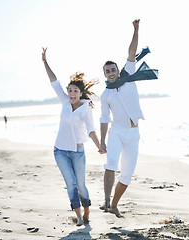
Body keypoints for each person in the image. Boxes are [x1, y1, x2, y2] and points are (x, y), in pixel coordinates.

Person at [42, 47, 101, 226]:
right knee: (71, 184)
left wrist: (99, 146)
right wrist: (45, 61)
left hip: (77, 151)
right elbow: (54, 82)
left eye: (75, 91)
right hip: (60, 151)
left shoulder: (85, 109)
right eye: (70, 91)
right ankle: (80, 217)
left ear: (80, 93)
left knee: (81, 185)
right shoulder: (64, 102)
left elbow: (91, 130)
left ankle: (87, 210)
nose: (72, 94)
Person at [99, 19, 144, 218]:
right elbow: (103, 119)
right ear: (105, 75)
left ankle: (114, 205)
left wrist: (136, 30)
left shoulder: (128, 76)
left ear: (118, 70)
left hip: (133, 134)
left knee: (126, 175)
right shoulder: (105, 95)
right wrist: (102, 141)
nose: (111, 73)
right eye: (107, 71)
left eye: (113, 70)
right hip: (116, 132)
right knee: (110, 163)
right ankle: (106, 200)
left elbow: (131, 53)